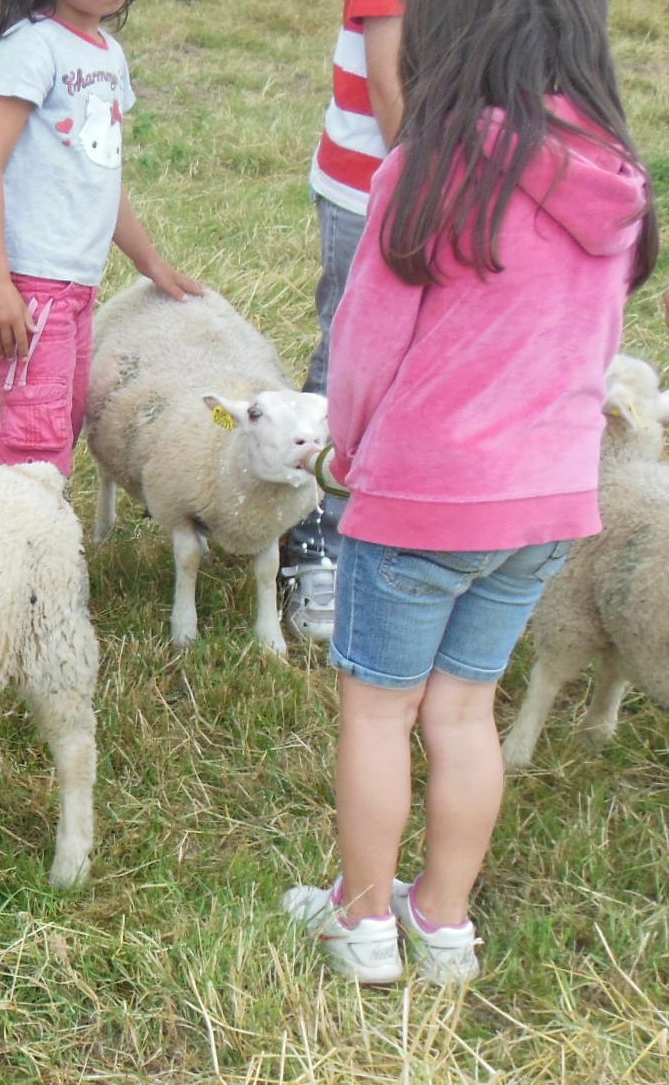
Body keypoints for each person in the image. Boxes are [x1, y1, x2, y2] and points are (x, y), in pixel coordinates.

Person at [282, 0, 658, 986]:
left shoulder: (430, 166)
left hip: (422, 496)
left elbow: (364, 342)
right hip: (547, 500)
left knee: (377, 713)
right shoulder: (617, 181)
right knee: (462, 711)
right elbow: (596, 346)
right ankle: (442, 923)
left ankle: (361, 923)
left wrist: (346, 450)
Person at [0, 0, 200, 480]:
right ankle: (14, 524)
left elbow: (104, 174)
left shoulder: (109, 54)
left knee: (66, 419)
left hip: (79, 284)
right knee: (36, 441)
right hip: (34, 282)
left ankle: (29, 514)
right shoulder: (31, 46)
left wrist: (150, 262)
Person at [278, 0, 406, 646]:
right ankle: (314, 544)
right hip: (373, 189)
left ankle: (396, 532)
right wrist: (435, 191)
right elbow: (387, 81)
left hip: (457, 190)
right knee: (349, 364)